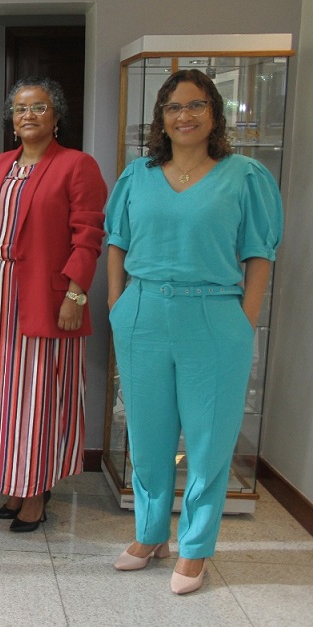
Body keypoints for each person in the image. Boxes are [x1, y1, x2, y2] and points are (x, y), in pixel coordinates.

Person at [105, 69, 282, 594]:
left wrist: (242, 321)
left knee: (208, 441)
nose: (184, 115)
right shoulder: (136, 176)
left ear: (214, 114)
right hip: (143, 313)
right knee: (149, 432)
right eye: (173, 107)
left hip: (214, 316)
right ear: (161, 118)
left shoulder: (243, 176)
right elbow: (116, 241)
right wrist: (118, 304)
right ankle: (151, 534)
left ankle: (196, 546)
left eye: (196, 105)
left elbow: (259, 254)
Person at [0, 77, 107, 533]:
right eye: (20, 109)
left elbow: (89, 238)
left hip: (47, 297)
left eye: (39, 107)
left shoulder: (77, 166)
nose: (28, 116)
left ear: (56, 116)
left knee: (38, 399)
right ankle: (13, 485)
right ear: (12, 119)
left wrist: (76, 295)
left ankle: (37, 495)